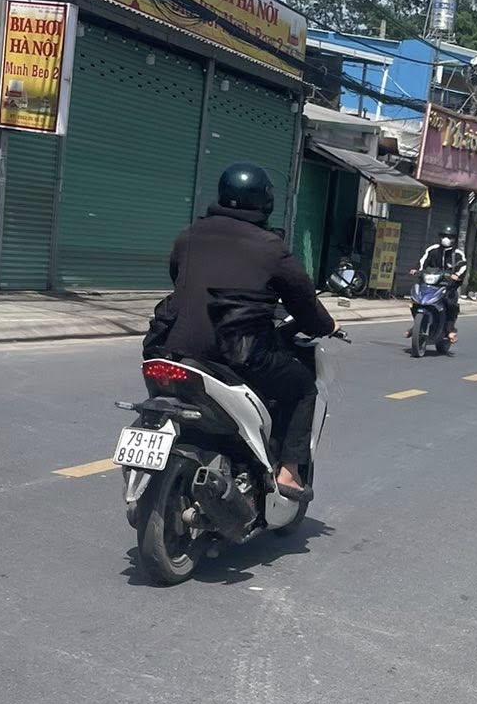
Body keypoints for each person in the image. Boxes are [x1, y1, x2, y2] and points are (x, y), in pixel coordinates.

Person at [144, 162, 337, 501]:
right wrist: (327, 325)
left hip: (171, 345)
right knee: (303, 387)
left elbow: (178, 277)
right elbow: (303, 301)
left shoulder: (190, 235)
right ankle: (289, 473)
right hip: (238, 353)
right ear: (265, 202)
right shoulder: (270, 247)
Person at [416, 231, 467, 341]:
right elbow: (422, 261)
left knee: (451, 303)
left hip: (448, 286)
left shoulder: (457, 254)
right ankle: (416, 324)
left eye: (449, 237)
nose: (446, 239)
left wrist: (457, 275)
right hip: (431, 284)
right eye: (444, 236)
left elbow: (463, 267)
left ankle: (449, 328)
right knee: (416, 299)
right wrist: (417, 270)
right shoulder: (432, 250)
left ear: (454, 239)